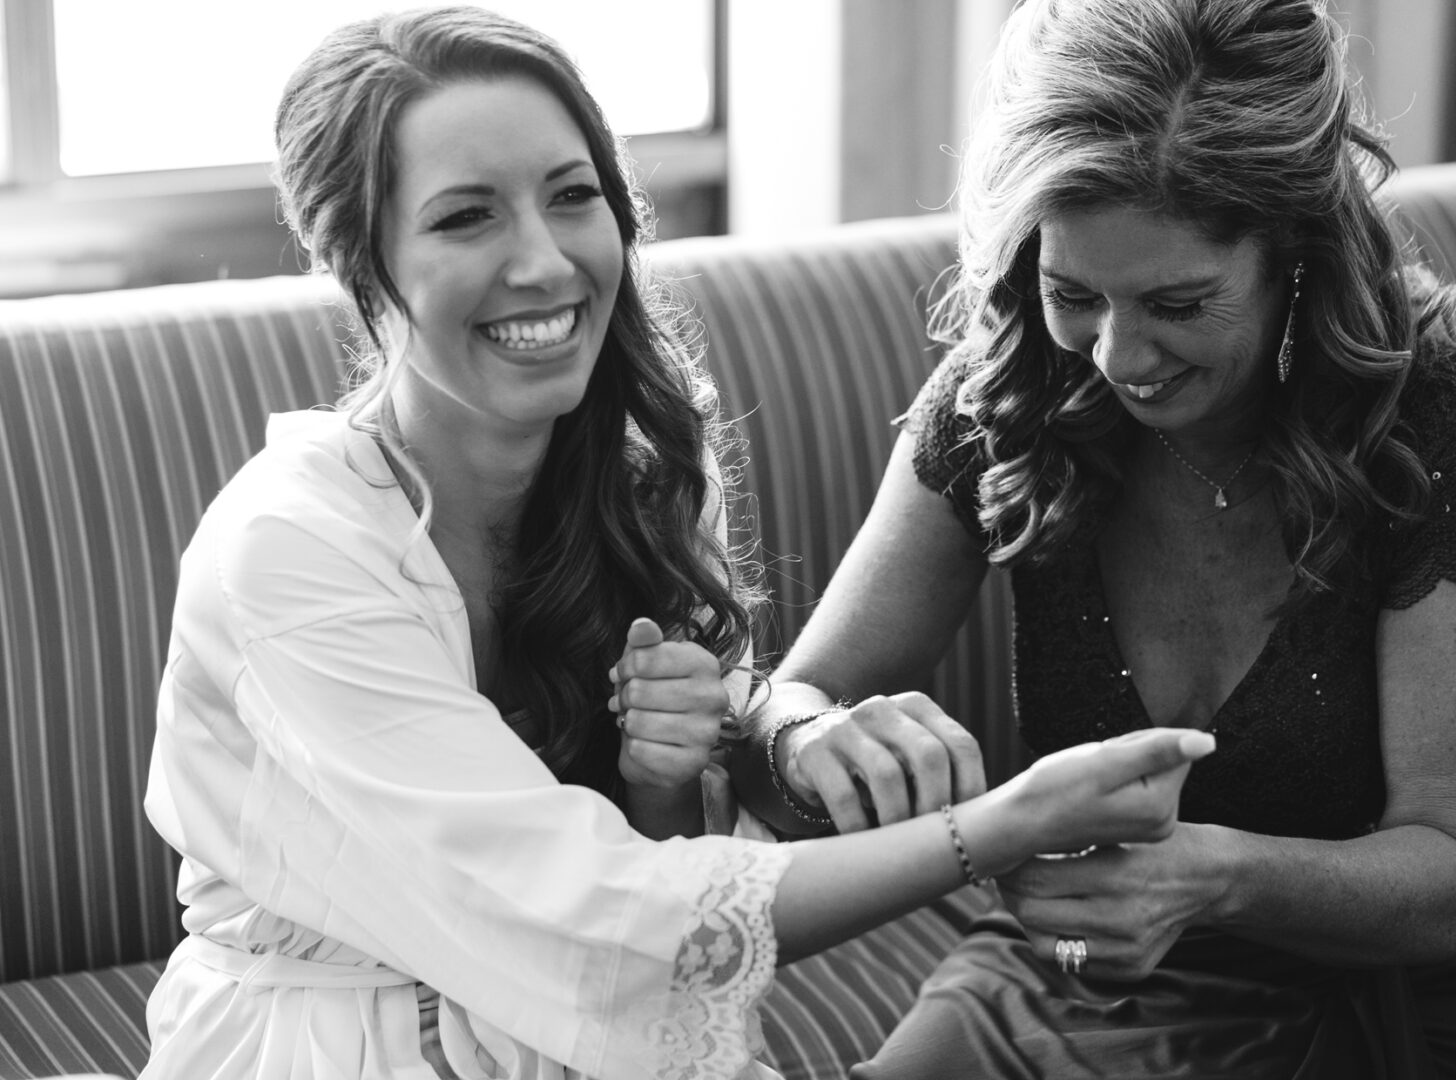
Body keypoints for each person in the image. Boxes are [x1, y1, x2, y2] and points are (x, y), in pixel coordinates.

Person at [137, 8, 1218, 1080]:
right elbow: (588, 909)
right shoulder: (291, 548)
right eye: (466, 217)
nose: (544, 261)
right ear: (360, 264)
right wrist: (997, 825)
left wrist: (671, 777)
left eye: (573, 197)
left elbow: (649, 899)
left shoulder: (638, 477)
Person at [730, 0, 1456, 1076]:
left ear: (1294, 257)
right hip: (1088, 967)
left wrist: (1209, 874)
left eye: (1179, 302)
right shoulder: (1009, 400)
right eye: (1072, 293)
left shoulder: (1439, 434)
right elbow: (787, 709)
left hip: (1397, 996)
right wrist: (803, 739)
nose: (1118, 356)